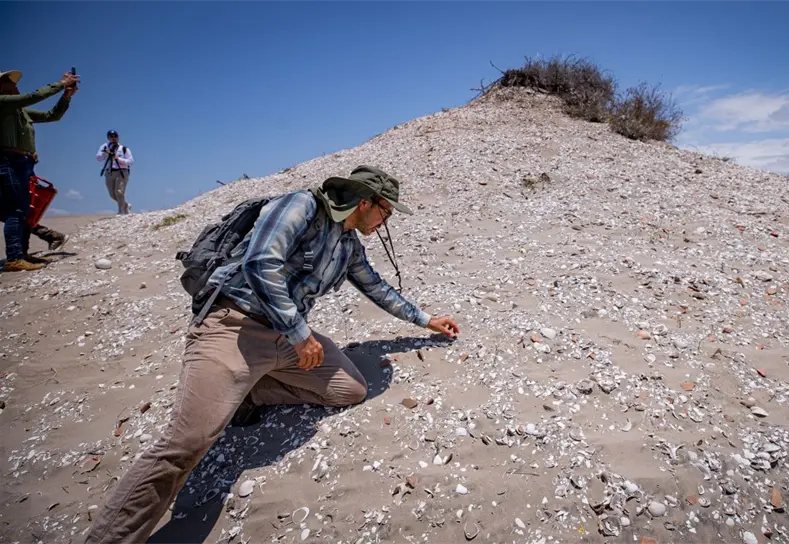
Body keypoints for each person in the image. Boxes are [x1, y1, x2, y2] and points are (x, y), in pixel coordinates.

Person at [85, 165, 461, 544]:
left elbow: (376, 288)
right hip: (233, 326)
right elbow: (260, 262)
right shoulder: (301, 206)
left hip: (286, 337)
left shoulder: (348, 246)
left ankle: (248, 391)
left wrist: (427, 320)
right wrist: (299, 334)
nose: (386, 221)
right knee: (185, 446)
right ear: (365, 202)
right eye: (386, 211)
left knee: (350, 390)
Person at [0, 68, 79, 271]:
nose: (15, 85)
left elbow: (53, 115)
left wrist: (66, 97)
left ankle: (22, 254)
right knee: (15, 210)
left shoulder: (20, 111)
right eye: (9, 81)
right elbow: (32, 97)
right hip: (8, 162)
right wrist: (60, 83)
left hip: (23, 163)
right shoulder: (3, 103)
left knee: (25, 210)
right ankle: (14, 258)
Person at [96, 129, 133, 214]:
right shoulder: (104, 147)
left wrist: (118, 159)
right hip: (109, 172)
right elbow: (98, 158)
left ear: (118, 137)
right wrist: (106, 153)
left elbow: (131, 161)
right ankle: (126, 205)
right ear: (108, 138)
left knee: (119, 192)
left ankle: (121, 211)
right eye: (111, 136)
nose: (114, 138)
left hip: (122, 171)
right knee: (112, 194)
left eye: (115, 136)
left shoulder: (124, 149)